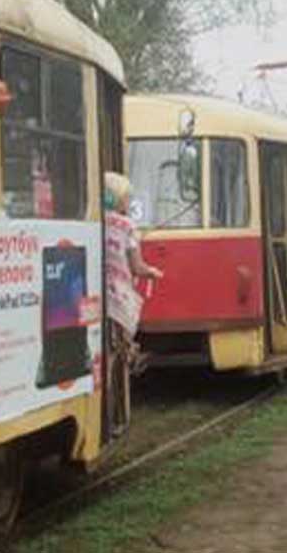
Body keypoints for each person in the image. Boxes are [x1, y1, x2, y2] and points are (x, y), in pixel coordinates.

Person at [103, 172, 163, 437]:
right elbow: (136, 266)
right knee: (118, 355)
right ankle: (115, 416)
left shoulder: (97, 220)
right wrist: (152, 272)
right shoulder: (127, 226)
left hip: (96, 295)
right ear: (118, 198)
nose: (129, 200)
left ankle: (104, 413)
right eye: (127, 196)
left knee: (103, 356)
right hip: (118, 298)